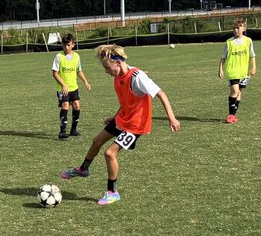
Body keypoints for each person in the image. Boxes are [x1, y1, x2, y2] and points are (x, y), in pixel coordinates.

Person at [60, 44, 180, 205]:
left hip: (136, 125)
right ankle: (84, 169)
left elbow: (161, 94)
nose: (106, 71)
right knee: (96, 141)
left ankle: (112, 192)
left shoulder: (137, 77)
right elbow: (126, 101)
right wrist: (115, 116)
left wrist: (172, 118)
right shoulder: (118, 77)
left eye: (107, 67)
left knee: (110, 153)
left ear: (117, 62)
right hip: (122, 118)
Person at [51, 34, 92, 140]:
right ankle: (62, 132)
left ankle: (73, 130)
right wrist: (63, 84)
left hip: (74, 87)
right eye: (64, 45)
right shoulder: (59, 57)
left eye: (68, 45)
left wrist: (86, 82)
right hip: (62, 89)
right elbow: (55, 73)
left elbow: (79, 71)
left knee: (77, 106)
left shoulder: (77, 56)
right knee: (65, 105)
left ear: (73, 45)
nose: (66, 47)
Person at [217, 18, 257, 124]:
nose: (236, 30)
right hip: (232, 71)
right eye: (234, 28)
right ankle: (230, 115)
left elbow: (252, 55)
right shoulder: (229, 42)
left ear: (243, 28)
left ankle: (233, 115)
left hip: (243, 71)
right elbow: (223, 58)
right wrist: (220, 69)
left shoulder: (248, 41)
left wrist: (253, 68)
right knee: (234, 91)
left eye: (238, 27)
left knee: (239, 92)